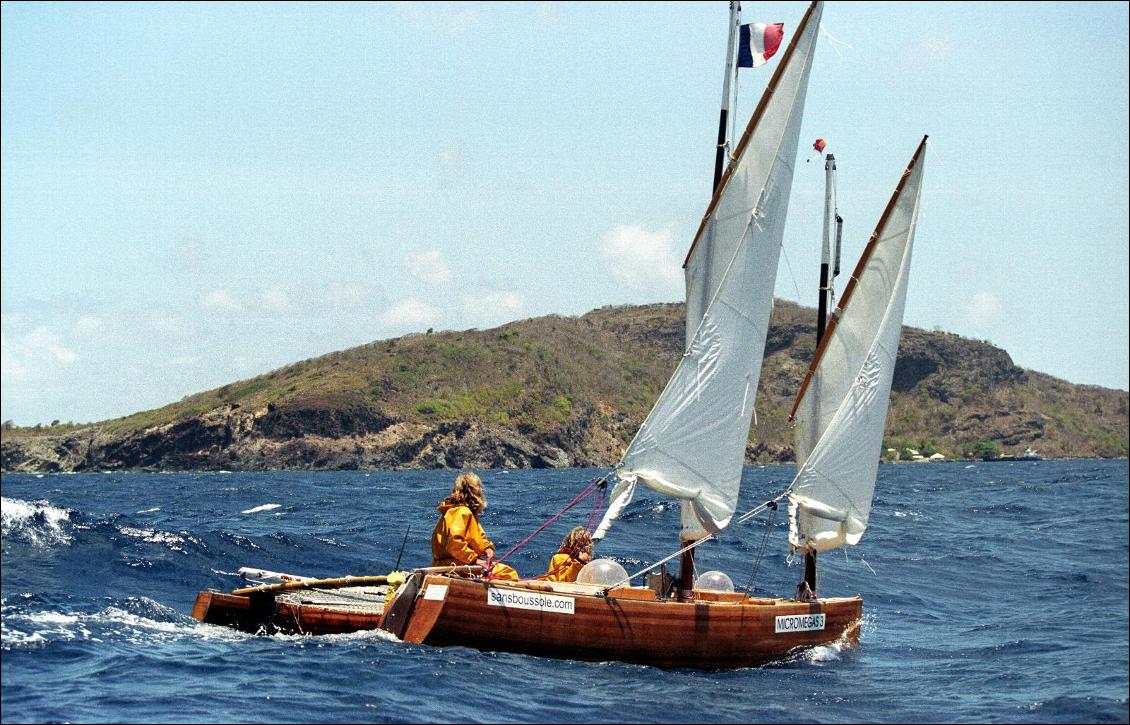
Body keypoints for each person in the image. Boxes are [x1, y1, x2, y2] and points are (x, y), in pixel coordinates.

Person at [431, 471, 519, 580]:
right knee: (508, 573)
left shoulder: (454, 511)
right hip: (454, 565)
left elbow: (478, 537)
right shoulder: (463, 512)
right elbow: (454, 544)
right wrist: (475, 561)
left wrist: (487, 548)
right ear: (475, 491)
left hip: (446, 564)